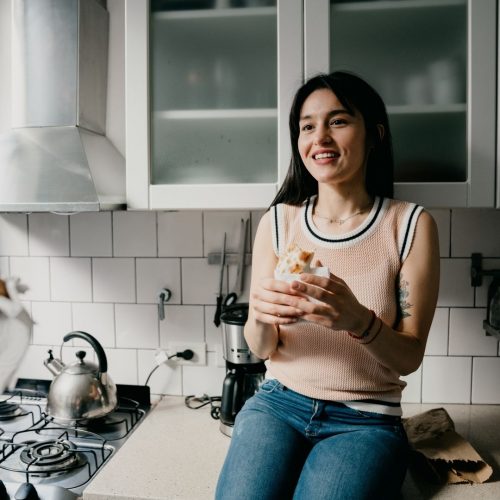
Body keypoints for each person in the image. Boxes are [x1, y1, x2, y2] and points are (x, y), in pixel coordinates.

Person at [215, 71, 440, 500]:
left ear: (374, 135)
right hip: (277, 405)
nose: (320, 137)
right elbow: (262, 348)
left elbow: (409, 357)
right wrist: (260, 314)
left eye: (337, 121)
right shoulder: (279, 224)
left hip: (366, 421)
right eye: (307, 126)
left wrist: (357, 319)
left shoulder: (410, 225)